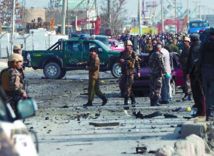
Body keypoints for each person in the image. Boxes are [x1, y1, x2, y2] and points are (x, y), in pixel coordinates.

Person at [186, 33, 205, 117]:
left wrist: (188, 72)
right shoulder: (203, 46)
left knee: (197, 92)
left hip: (195, 73)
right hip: (203, 73)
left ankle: (200, 111)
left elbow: (191, 62)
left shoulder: (194, 48)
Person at [118, 40, 140, 108]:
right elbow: (117, 59)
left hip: (131, 72)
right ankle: (133, 99)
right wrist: (120, 60)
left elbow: (136, 63)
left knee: (128, 86)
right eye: (126, 46)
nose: (127, 47)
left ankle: (126, 101)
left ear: (131, 46)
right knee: (126, 87)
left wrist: (138, 71)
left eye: (128, 46)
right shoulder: (122, 53)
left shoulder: (133, 53)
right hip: (124, 72)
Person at [199, 27, 214, 121]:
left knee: (207, 93)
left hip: (204, 71)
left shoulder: (203, 44)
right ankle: (210, 113)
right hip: (212, 71)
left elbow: (199, 59)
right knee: (212, 93)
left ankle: (209, 113)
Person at [180, 37, 192, 101]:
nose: (184, 43)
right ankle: (188, 94)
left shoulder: (190, 49)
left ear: (188, 42)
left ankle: (188, 94)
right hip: (184, 67)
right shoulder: (184, 49)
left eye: (185, 41)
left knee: (188, 81)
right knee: (186, 81)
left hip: (188, 67)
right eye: (183, 41)